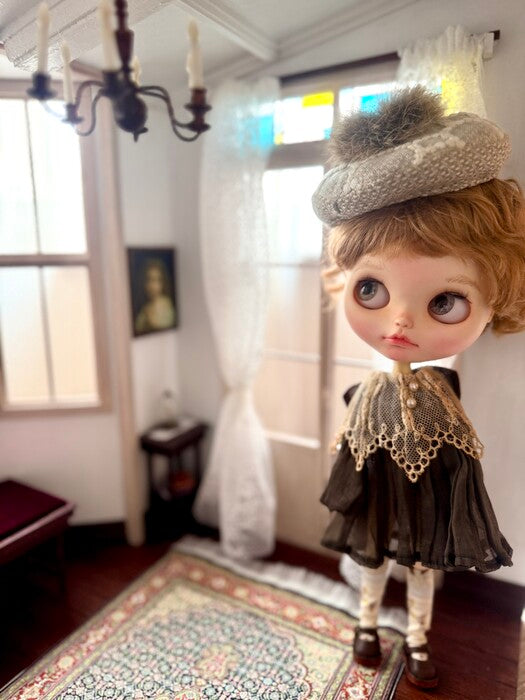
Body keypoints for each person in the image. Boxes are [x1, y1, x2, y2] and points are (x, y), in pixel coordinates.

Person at [311, 86, 525, 689]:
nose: (400, 324)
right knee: (373, 562)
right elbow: (349, 445)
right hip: (377, 496)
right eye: (371, 290)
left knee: (425, 569)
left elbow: (461, 457)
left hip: (428, 501)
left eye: (445, 302)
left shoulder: (443, 389)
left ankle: (419, 637)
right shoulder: (367, 393)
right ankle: (366, 625)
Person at [135, 258, 176, 334]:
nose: (152, 286)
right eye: (148, 280)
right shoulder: (144, 311)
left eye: (157, 280)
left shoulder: (168, 305)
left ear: (163, 282)